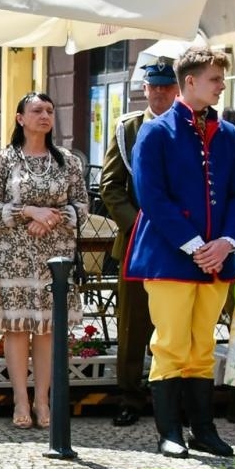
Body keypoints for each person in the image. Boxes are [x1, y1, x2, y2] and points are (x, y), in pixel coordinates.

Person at [128, 46, 235, 458]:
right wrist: (196, 246)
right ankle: (170, 432)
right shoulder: (156, 131)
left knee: (201, 347)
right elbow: (152, 197)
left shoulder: (229, 134)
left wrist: (227, 242)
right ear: (190, 81)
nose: (221, 87)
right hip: (170, 257)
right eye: (215, 79)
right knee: (172, 344)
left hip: (219, 259)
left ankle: (204, 431)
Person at [0, 93, 89, 430]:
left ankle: (43, 400)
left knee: (48, 329)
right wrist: (28, 211)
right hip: (13, 255)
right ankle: (20, 399)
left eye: (49, 111)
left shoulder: (68, 161)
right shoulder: (4, 159)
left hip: (54, 255)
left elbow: (83, 206)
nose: (44, 115)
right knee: (17, 329)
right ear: (20, 118)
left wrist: (52, 218)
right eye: (36, 110)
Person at [100, 60, 178, 428]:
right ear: (144, 89)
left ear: (177, 89)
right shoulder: (127, 128)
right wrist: (138, 225)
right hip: (136, 243)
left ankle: (172, 398)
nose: (160, 92)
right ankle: (129, 397)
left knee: (177, 325)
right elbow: (111, 187)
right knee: (131, 326)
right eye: (154, 87)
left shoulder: (188, 128)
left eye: (167, 86)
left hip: (181, 244)